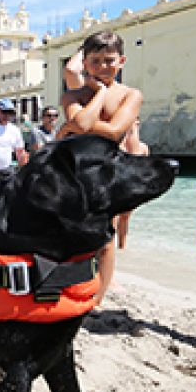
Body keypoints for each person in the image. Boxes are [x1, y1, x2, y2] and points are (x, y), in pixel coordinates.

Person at [59, 31, 143, 302]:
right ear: (85, 63)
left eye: (109, 60)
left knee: (106, 237)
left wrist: (73, 126)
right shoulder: (73, 95)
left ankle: (98, 297)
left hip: (109, 173)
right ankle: (70, 286)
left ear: (122, 61)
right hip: (76, 171)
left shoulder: (131, 95)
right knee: (70, 231)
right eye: (95, 61)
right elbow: (83, 124)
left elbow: (116, 130)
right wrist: (100, 94)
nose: (103, 67)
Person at [116, 120, 149, 249]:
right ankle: (108, 250)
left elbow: (145, 170)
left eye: (136, 124)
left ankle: (122, 247)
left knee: (125, 218)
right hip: (118, 186)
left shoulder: (143, 147)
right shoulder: (120, 146)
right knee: (114, 218)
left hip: (133, 187)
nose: (134, 126)